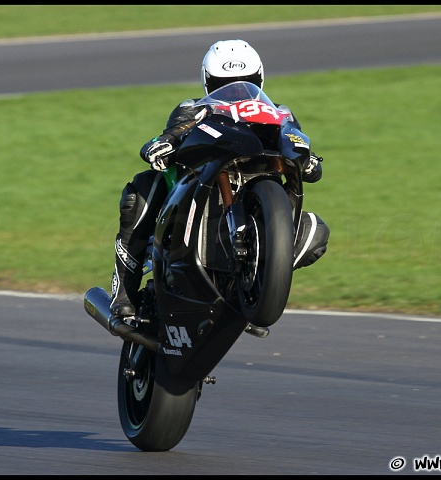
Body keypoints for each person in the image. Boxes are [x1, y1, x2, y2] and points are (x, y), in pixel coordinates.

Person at [110, 39, 329, 321]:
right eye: (225, 84)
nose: (237, 90)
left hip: (260, 184)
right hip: (205, 185)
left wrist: (307, 158)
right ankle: (124, 294)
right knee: (141, 190)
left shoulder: (280, 111)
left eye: (246, 81)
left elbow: (298, 144)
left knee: (316, 230)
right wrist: (164, 142)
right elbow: (175, 132)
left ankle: (257, 278)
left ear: (259, 79)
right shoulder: (194, 107)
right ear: (208, 83)